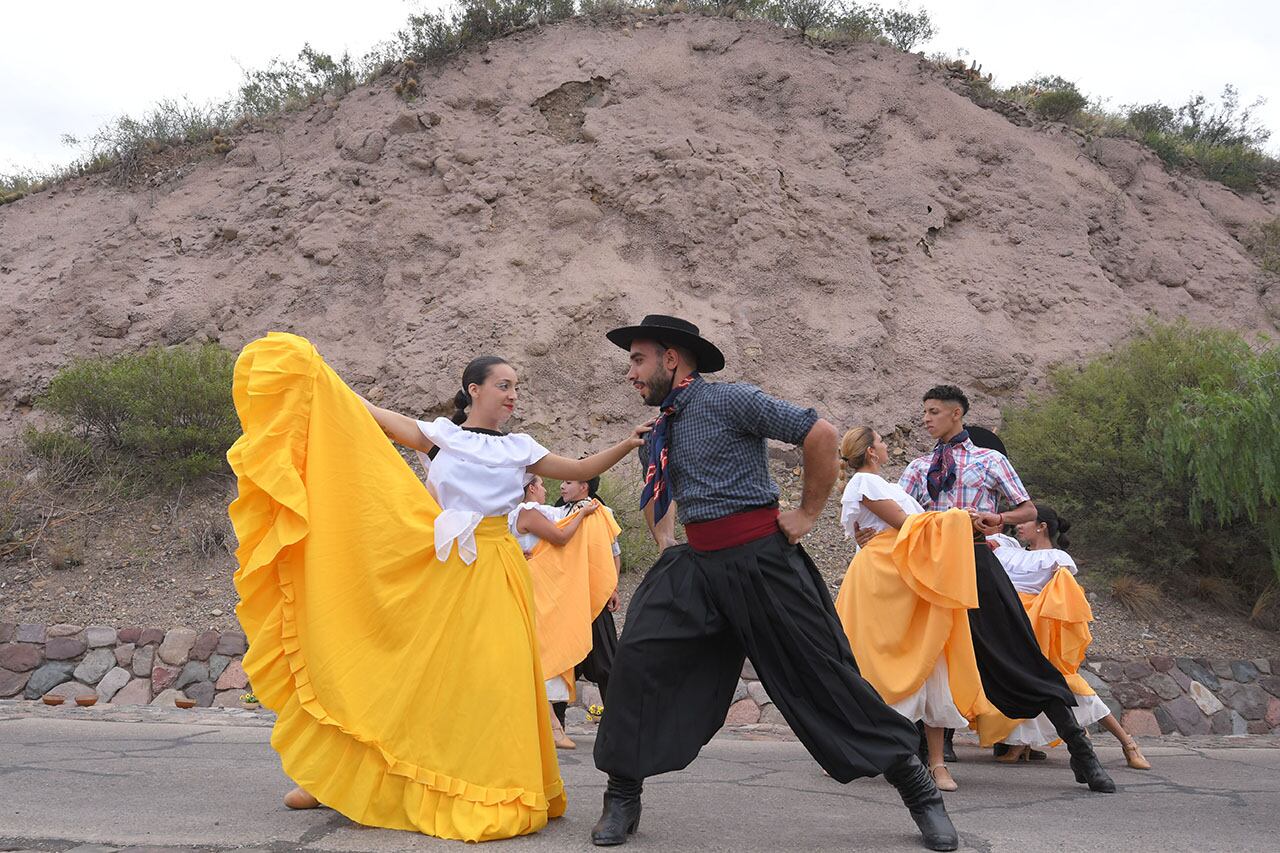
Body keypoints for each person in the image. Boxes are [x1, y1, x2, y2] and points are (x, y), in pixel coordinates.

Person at [227, 332, 648, 842]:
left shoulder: (522, 448)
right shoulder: (440, 436)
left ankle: (487, 784)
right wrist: (321, 375)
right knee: (409, 673)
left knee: (491, 679)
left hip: (495, 568)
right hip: (439, 564)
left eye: (517, 386)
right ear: (474, 389)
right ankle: (336, 774)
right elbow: (366, 413)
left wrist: (627, 443)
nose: (513, 394)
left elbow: (581, 470)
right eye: (504, 385)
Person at [591, 315, 959, 852]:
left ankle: (919, 790)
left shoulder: (731, 400)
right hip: (696, 565)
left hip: (761, 559)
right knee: (638, 663)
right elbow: (660, 494)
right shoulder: (661, 427)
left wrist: (808, 513)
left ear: (672, 358)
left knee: (822, 678)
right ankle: (622, 793)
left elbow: (821, 433)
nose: (631, 373)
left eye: (637, 359)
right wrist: (667, 540)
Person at [895, 385, 1115, 794]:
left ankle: (1082, 753)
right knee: (922, 662)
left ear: (956, 414)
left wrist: (997, 518)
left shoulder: (988, 460)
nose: (925, 419)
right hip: (932, 571)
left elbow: (1028, 510)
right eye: (924, 412)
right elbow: (900, 520)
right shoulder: (916, 468)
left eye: (934, 411)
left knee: (1021, 656)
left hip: (978, 563)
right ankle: (918, 758)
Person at [834, 427, 989, 794]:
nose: (888, 447)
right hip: (884, 582)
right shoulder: (862, 484)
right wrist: (958, 518)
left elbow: (918, 527)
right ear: (871, 452)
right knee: (874, 664)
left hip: (910, 578)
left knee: (931, 659)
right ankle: (857, 751)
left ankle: (935, 763)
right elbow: (906, 525)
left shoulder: (890, 487)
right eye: (883, 443)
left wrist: (961, 520)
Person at [990, 507, 1151, 769]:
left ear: (1042, 526)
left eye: (1025, 521)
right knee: (1025, 684)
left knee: (1073, 686)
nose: (1018, 525)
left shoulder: (1057, 558)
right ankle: (1022, 745)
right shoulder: (1009, 549)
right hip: (1014, 626)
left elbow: (1063, 599)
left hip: (1039, 626)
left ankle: (1128, 743)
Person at [511, 474, 607, 750]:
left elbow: (560, 517)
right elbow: (562, 536)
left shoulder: (535, 512)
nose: (547, 490)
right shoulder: (527, 512)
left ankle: (549, 724)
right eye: (541, 485)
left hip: (539, 585)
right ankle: (552, 726)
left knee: (540, 650)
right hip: (535, 590)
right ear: (531, 488)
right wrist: (583, 513)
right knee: (542, 649)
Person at [556, 476, 622, 706]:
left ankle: (616, 724)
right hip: (567, 597)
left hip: (595, 594)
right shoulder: (557, 512)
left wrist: (612, 587)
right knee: (564, 664)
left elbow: (613, 552)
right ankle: (557, 724)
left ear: (584, 487)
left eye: (568, 482)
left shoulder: (603, 512)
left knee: (607, 664)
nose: (562, 486)